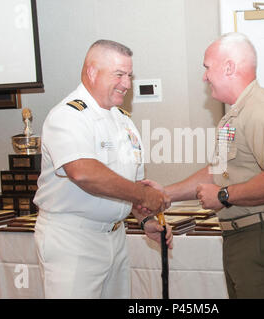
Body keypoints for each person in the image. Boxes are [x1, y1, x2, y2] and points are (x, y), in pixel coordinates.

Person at [144, 32, 264, 299]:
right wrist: (165, 194)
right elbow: (216, 173)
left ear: (229, 67)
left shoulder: (262, 111)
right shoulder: (235, 114)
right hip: (244, 237)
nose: (204, 76)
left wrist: (224, 195)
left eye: (207, 67)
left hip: (263, 238)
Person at [33, 39, 173, 299]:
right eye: (119, 74)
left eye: (129, 75)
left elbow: (126, 184)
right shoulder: (69, 116)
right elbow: (84, 173)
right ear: (92, 72)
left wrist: (144, 218)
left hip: (115, 237)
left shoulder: (122, 120)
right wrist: (143, 196)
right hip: (73, 240)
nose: (127, 84)